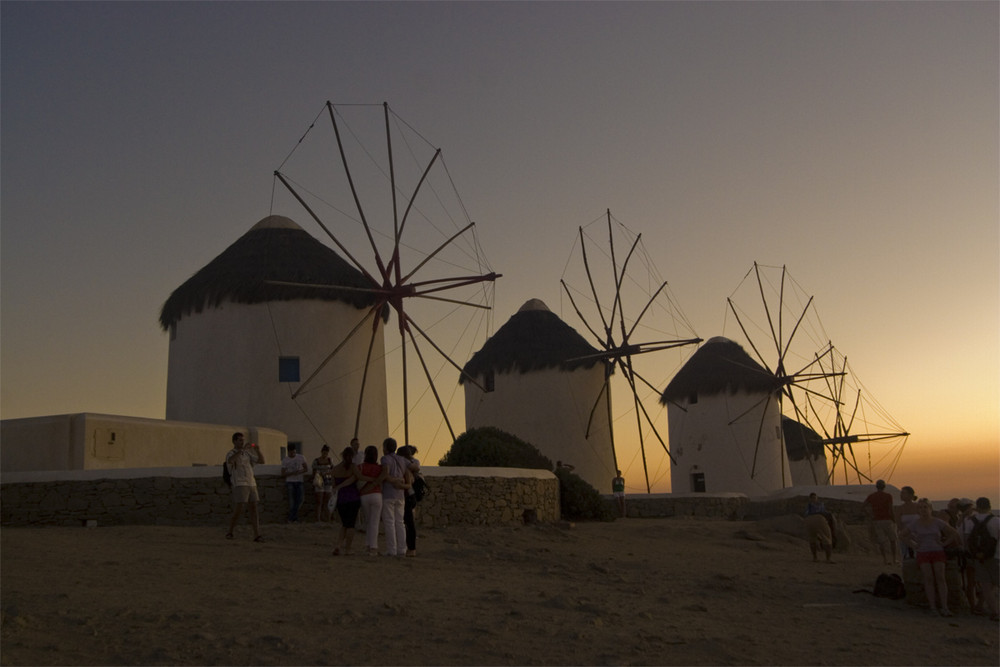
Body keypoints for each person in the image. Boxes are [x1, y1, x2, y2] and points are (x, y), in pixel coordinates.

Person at [899, 497, 961, 617]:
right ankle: (932, 607)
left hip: (937, 551)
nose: (923, 510)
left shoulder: (937, 522)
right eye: (920, 508)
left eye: (925, 507)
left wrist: (944, 543)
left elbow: (954, 533)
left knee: (940, 578)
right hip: (923, 552)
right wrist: (913, 544)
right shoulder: (915, 523)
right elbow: (902, 535)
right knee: (928, 579)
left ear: (930, 509)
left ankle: (944, 607)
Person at [962, 497, 999, 621]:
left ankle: (994, 612)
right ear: (989, 506)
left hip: (978, 557)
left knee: (986, 584)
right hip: (996, 556)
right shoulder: (996, 520)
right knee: (994, 583)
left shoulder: (969, 521)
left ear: (977, 507)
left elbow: (966, 539)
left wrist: (972, 554)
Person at [225, 432, 266, 542]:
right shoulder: (231, 453)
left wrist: (257, 449)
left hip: (251, 482)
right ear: (234, 441)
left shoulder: (247, 454)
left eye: (242, 440)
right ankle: (230, 531)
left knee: (254, 508)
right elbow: (230, 461)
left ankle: (257, 534)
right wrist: (242, 450)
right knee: (240, 507)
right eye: (239, 440)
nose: (242, 442)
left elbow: (262, 461)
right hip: (240, 483)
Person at [380, 437, 411, 557]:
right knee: (400, 522)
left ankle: (391, 549)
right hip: (400, 494)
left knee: (389, 522)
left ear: (386, 448)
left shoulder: (385, 459)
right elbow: (414, 467)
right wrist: (401, 479)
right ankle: (402, 549)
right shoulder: (402, 460)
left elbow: (385, 474)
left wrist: (393, 480)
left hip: (389, 493)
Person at [355, 445, 387, 556]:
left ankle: (368, 545)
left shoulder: (361, 467)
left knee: (368, 521)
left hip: (364, 495)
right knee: (375, 522)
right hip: (377, 494)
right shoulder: (379, 468)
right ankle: (373, 547)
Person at [330, 447, 361, 556]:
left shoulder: (335, 469)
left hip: (341, 499)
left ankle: (338, 545)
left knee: (344, 524)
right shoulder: (353, 467)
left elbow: (333, 486)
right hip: (353, 497)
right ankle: (348, 548)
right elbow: (359, 478)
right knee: (351, 525)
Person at [864, 480, 898, 565]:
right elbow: (891, 509)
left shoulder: (872, 496)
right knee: (893, 540)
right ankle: (894, 559)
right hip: (887, 520)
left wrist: (870, 515)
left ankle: (885, 559)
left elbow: (863, 506)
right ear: (884, 486)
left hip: (877, 520)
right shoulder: (888, 496)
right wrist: (894, 519)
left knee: (881, 541)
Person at [399, 445, 421, 557]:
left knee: (407, 522)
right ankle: (409, 547)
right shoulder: (412, 463)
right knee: (407, 522)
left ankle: (410, 548)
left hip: (407, 495)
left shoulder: (407, 465)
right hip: (410, 495)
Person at [280, 443, 308, 523]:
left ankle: (291, 517)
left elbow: (306, 469)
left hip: (299, 481)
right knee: (292, 501)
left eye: (294, 452)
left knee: (300, 499)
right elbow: (283, 473)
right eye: (291, 453)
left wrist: (299, 472)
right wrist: (292, 473)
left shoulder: (301, 457)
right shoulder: (285, 460)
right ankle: (294, 518)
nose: (293, 454)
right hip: (290, 482)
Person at [895, 486, 920, 560]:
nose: (901, 495)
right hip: (904, 534)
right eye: (901, 493)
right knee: (906, 555)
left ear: (910, 495)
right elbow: (898, 523)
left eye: (903, 493)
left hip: (917, 534)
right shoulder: (900, 508)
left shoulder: (917, 507)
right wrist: (905, 533)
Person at [312, 445, 335, 522]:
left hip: (328, 481)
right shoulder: (316, 461)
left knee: (328, 501)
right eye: (324, 452)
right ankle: (318, 519)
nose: (325, 454)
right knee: (319, 501)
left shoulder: (330, 460)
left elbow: (333, 470)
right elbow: (314, 471)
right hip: (319, 481)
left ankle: (328, 518)